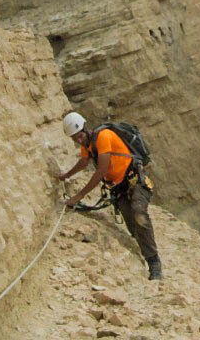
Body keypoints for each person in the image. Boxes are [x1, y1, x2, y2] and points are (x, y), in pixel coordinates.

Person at [55, 111, 162, 280]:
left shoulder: (104, 136)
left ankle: (154, 262)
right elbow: (84, 162)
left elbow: (101, 170)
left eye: (80, 136)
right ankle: (143, 245)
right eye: (75, 138)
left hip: (135, 180)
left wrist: (79, 196)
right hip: (119, 187)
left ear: (85, 128)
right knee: (132, 224)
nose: (79, 140)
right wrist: (66, 175)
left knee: (139, 213)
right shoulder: (87, 145)